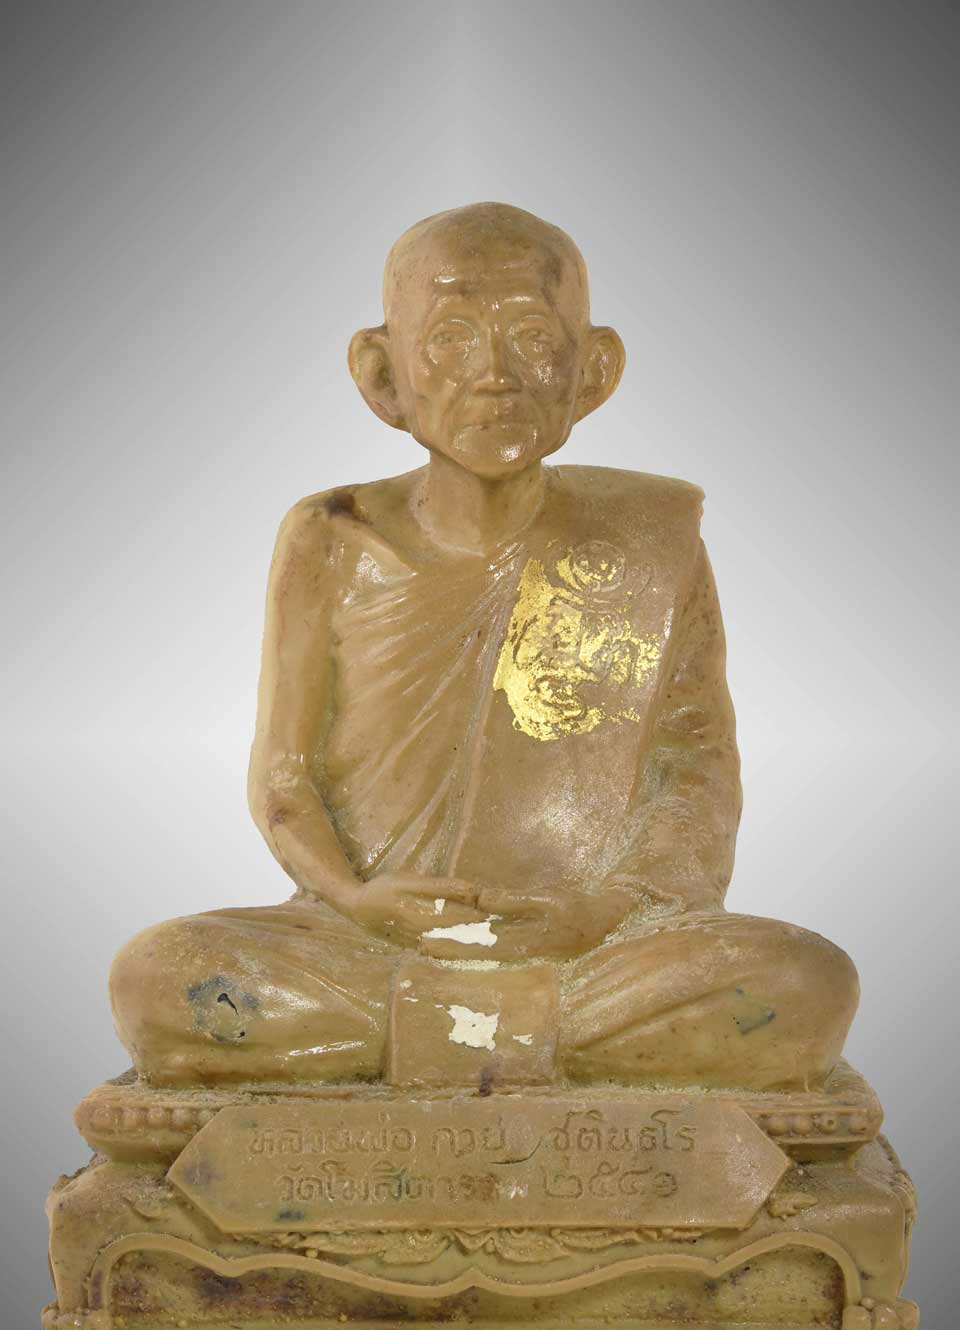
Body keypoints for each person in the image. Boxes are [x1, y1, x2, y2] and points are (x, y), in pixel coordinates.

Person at [110, 202, 858, 1091]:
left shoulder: (648, 539)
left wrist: (605, 911)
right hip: (371, 940)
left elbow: (695, 770)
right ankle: (536, 1043)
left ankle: (434, 1042)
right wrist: (356, 899)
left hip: (588, 947)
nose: (496, 377)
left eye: (534, 339)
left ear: (593, 371)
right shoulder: (332, 537)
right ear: (383, 374)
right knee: (160, 977)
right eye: (452, 340)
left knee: (803, 982)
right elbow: (284, 776)